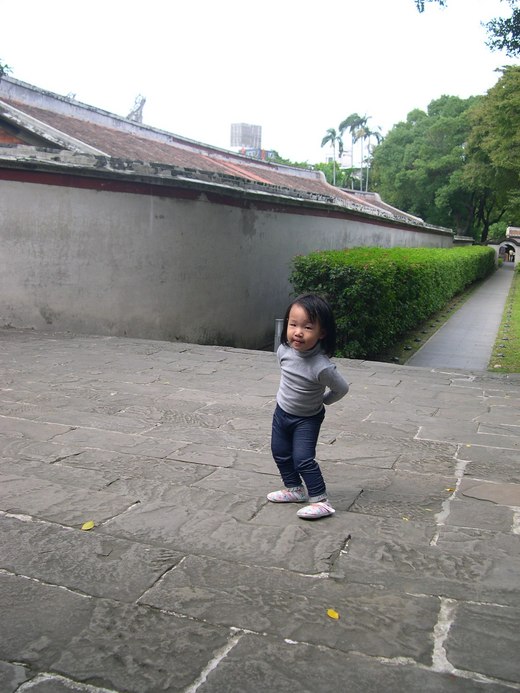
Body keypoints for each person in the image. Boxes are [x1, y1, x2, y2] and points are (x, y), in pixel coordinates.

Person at [267, 293, 349, 520]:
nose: (298, 332)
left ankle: (321, 501)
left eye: (308, 327)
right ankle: (295, 489)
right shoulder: (283, 351)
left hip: (307, 418)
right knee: (280, 452)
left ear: (322, 333)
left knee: (303, 458)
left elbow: (342, 388)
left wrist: (325, 400)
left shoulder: (322, 367)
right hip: (281, 412)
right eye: (293, 324)